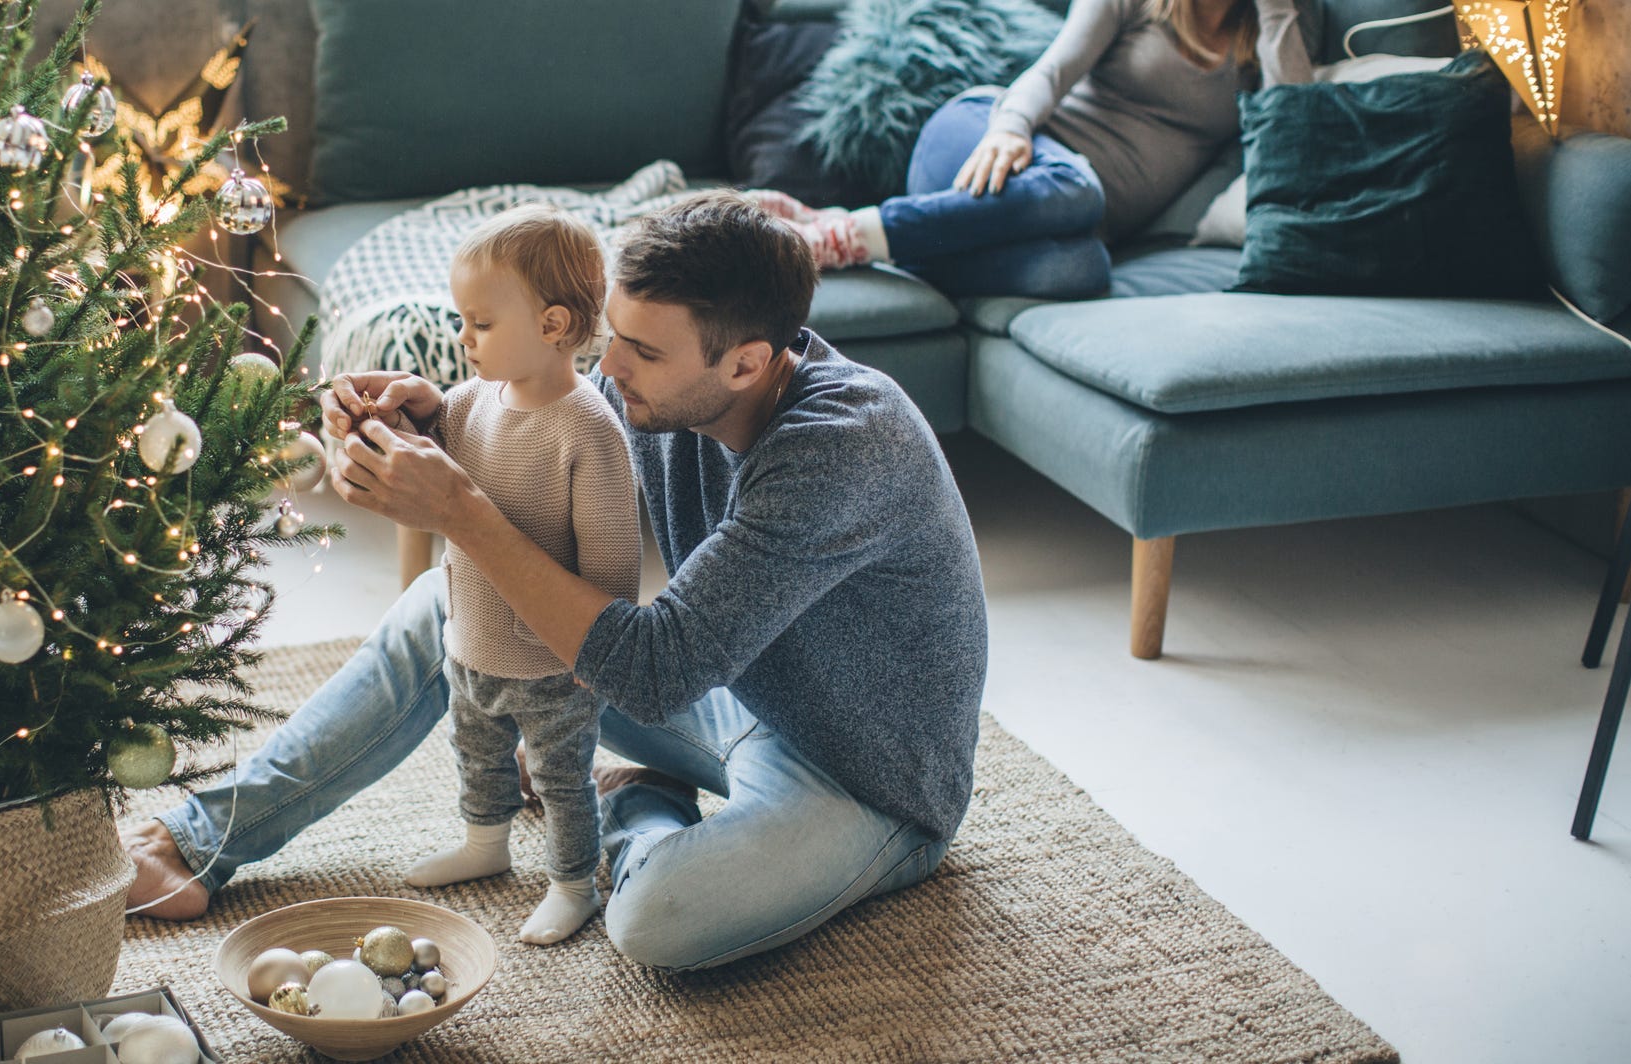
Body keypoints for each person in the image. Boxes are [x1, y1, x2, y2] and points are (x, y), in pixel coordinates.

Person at [124, 191, 989, 972]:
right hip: (734, 695)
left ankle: (638, 803)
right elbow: (552, 425)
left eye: (640, 351)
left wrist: (458, 510)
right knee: (445, 604)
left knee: (656, 921)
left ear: (745, 363)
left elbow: (654, 670)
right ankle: (198, 839)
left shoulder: (843, 445)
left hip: (861, 780)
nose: (609, 365)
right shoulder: (664, 386)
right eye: (611, 333)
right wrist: (436, 413)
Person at [394, 204, 640, 946]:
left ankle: (572, 883)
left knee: (564, 781)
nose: (462, 340)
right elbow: (426, 470)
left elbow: (612, 568)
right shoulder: (468, 402)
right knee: (475, 750)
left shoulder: (587, 428)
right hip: (470, 644)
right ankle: (484, 840)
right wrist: (389, 419)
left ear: (553, 326)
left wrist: (591, 658)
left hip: (551, 664)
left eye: (479, 324)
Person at [764, 0, 1313, 298]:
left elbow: (1296, 125)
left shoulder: (1271, 34)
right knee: (1077, 187)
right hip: (983, 139)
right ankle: (839, 238)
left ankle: (849, 227)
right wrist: (1011, 127)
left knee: (1083, 271)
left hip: (1052, 222)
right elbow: (1052, 71)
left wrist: (1277, 8)